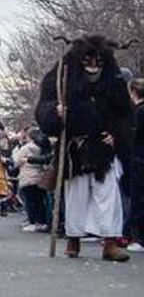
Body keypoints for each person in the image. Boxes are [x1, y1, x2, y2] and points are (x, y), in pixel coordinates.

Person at [36, 35, 133, 262]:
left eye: (98, 60)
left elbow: (125, 115)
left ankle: (110, 242)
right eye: (88, 60)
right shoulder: (61, 76)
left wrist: (116, 134)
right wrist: (55, 112)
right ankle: (73, 239)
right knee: (76, 196)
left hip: (103, 148)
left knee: (108, 196)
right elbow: (44, 108)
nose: (93, 65)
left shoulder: (114, 79)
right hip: (74, 147)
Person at [13, 127, 54, 233]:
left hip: (27, 176)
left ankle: (33, 222)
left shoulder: (25, 148)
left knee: (30, 201)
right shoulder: (40, 148)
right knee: (39, 201)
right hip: (39, 176)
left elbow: (17, 162)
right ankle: (42, 222)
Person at [128, 79, 144, 252]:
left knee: (138, 199)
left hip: (139, 159)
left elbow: (133, 136)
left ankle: (139, 238)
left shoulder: (137, 113)